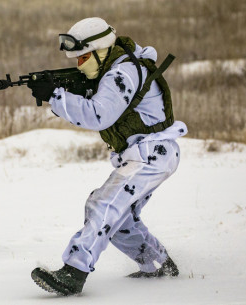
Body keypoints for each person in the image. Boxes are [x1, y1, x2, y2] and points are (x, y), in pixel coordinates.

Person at [27, 17, 188, 296]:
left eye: (84, 57)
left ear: (101, 49)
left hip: (150, 153)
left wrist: (55, 96)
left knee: (103, 205)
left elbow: (98, 115)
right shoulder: (118, 67)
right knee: (121, 219)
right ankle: (159, 265)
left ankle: (73, 272)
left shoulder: (120, 74)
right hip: (149, 153)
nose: (79, 64)